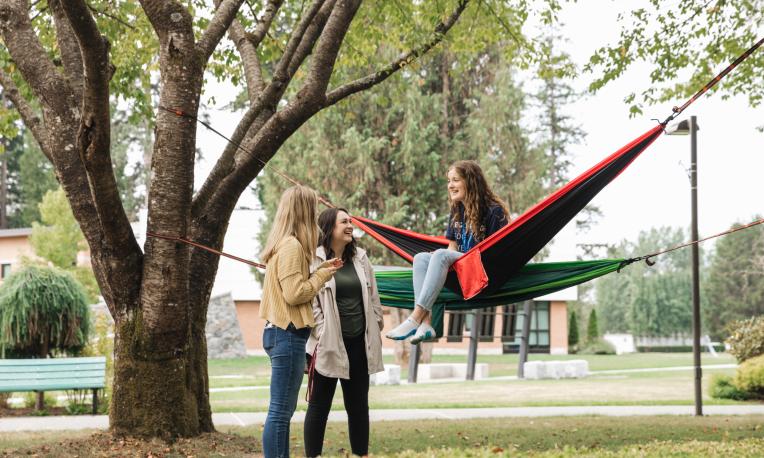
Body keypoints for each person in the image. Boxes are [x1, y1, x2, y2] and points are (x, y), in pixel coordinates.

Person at [385, 160, 509, 344]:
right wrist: (445, 271)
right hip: (462, 268)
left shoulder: (493, 210)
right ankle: (425, 324)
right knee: (420, 258)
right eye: (449, 181)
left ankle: (414, 317)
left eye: (455, 180)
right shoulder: (457, 209)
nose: (450, 185)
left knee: (440, 255)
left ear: (471, 181)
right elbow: (452, 248)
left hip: (483, 268)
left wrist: (445, 260)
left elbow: (498, 251)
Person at [259, 185, 342, 458]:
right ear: (304, 211)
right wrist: (322, 276)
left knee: (281, 411)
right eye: (313, 209)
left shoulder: (282, 245)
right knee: (281, 412)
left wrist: (319, 270)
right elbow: (295, 294)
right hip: (287, 334)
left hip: (280, 333)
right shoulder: (292, 246)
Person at [304, 208, 385, 458]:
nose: (350, 225)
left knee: (359, 406)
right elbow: (311, 300)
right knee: (319, 406)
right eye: (344, 222)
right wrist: (321, 330)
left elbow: (373, 295)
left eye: (351, 221)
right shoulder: (314, 260)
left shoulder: (360, 257)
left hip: (359, 344)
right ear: (330, 228)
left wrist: (377, 321)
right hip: (327, 344)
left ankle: (362, 454)